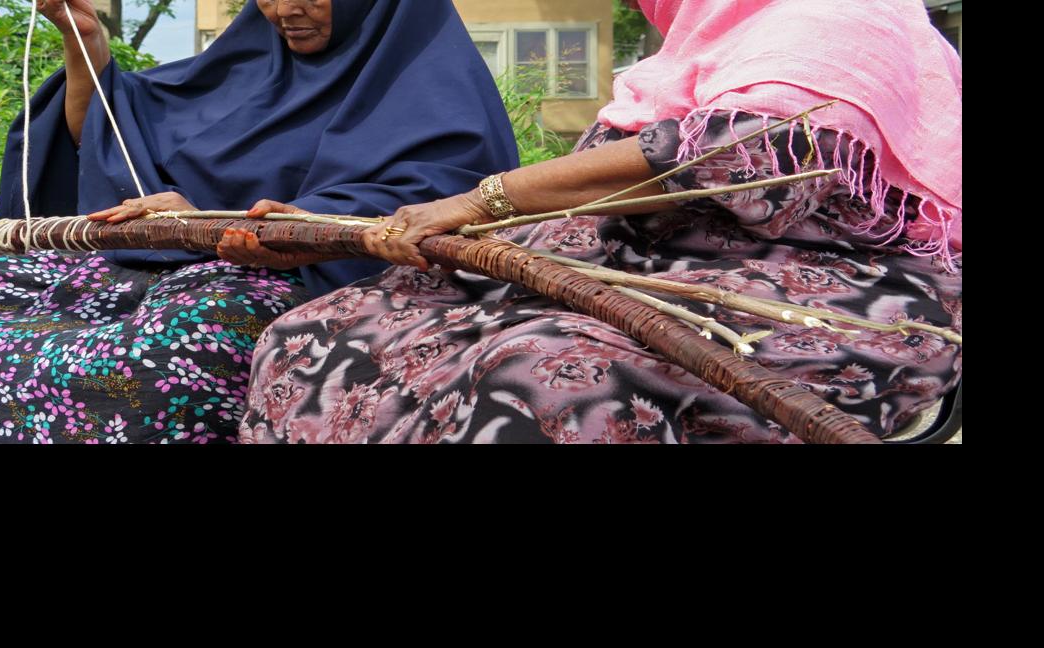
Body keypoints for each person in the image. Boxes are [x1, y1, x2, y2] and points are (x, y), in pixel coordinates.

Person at [239, 0, 962, 444]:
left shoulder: (836, 17)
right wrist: (336, 228)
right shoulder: (695, 48)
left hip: (815, 292)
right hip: (638, 270)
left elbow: (748, 159)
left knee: (541, 374)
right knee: (317, 330)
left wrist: (480, 201)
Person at [0, 0, 516, 443]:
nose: (282, 10)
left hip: (303, 291)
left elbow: (422, 209)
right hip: (145, 273)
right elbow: (111, 128)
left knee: (169, 342)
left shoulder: (430, 83)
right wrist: (86, 44)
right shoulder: (252, 65)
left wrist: (218, 226)